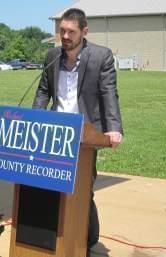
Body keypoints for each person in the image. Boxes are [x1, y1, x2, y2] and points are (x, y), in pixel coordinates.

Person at [32, 8, 123, 256]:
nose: (65, 35)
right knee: (51, 185)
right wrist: (34, 118)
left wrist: (114, 128)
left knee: (83, 188)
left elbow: (108, 93)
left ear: (84, 31)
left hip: (84, 134)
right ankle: (57, 234)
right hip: (55, 133)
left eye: (71, 31)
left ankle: (88, 237)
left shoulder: (100, 56)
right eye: (62, 30)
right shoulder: (52, 56)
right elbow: (43, 91)